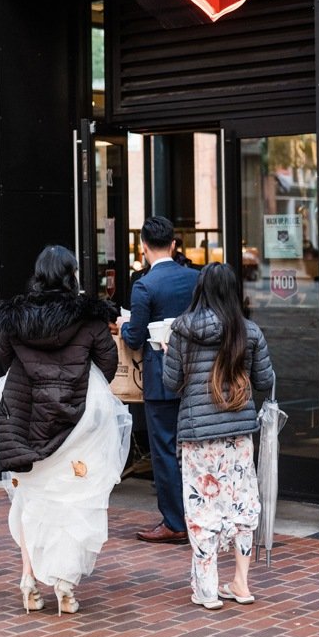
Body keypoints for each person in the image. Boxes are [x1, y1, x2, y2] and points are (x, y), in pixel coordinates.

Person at [0, 245, 129, 616]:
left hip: (27, 422)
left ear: (37, 275)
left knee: (31, 501)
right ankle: (65, 586)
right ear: (71, 276)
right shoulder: (90, 318)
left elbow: (3, 362)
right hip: (78, 424)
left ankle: (29, 580)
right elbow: (108, 365)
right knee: (75, 502)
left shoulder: (15, 318)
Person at [163, 262, 275, 610]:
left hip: (198, 436)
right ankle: (241, 583)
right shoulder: (249, 331)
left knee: (201, 509)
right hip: (239, 434)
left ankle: (208, 589)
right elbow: (265, 380)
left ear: (201, 290)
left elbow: (170, 384)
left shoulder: (182, 329)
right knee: (242, 505)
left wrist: (168, 354)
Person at [115, 215, 201, 545]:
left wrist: (123, 325)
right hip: (195, 375)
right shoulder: (194, 278)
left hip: (161, 379)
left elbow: (135, 337)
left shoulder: (145, 285)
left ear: (144, 247)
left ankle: (175, 521)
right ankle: (198, 514)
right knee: (193, 447)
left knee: (164, 450)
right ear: (174, 245)